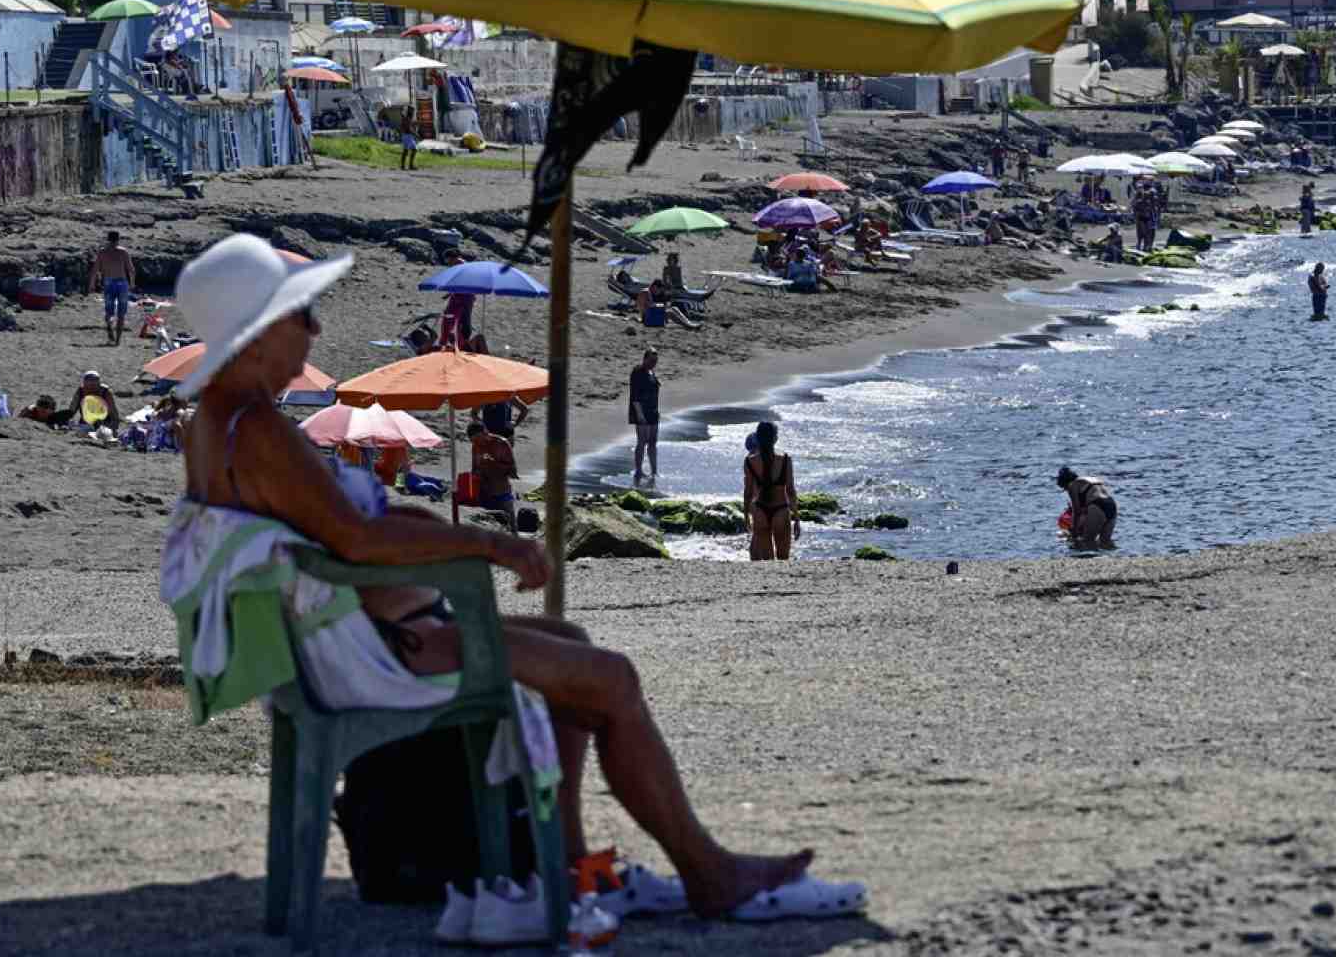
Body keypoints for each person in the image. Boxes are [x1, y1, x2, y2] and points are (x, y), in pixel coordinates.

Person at [166, 235, 857, 924]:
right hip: (377, 655)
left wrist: (419, 531)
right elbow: (355, 539)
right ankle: (711, 875)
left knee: (569, 641)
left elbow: (332, 526)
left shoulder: (219, 424)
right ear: (258, 333)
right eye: (303, 314)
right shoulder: (257, 429)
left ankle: (572, 868)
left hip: (337, 646)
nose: (316, 329)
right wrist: (489, 545)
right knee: (611, 678)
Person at [742, 421, 799, 561]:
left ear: (758, 438)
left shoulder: (749, 461)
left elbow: (748, 493)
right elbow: (791, 491)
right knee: (783, 559)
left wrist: (746, 516)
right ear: (775, 439)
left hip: (760, 511)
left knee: (768, 561)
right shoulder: (785, 460)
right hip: (781, 510)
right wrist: (797, 518)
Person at [467, 420, 519, 532]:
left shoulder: (501, 443)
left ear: (485, 432)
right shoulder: (476, 446)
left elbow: (512, 471)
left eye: (478, 439)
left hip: (502, 491)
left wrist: (493, 464)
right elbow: (474, 468)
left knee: (511, 526)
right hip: (484, 492)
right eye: (473, 441)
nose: (477, 443)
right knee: (489, 527)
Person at [87, 231, 137, 346]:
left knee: (109, 311)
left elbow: (95, 270)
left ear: (108, 239)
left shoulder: (102, 252)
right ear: (118, 239)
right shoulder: (123, 252)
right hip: (122, 283)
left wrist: (91, 284)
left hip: (108, 282)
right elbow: (131, 270)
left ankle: (110, 327)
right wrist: (132, 283)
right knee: (121, 313)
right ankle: (118, 340)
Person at [1056, 466, 1118, 551]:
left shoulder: (1072, 485)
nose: (1066, 490)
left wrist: (1074, 532)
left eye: (1064, 488)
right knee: (1105, 542)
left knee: (1088, 541)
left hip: (1098, 505)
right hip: (1112, 505)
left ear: (1066, 483)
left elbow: (1077, 511)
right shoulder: (1091, 479)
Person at [629, 347, 661, 486]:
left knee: (653, 442)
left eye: (655, 361)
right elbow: (635, 395)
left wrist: (657, 412)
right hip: (642, 411)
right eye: (651, 360)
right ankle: (638, 470)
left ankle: (654, 471)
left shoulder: (651, 372)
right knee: (642, 442)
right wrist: (639, 414)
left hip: (653, 411)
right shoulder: (638, 372)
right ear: (645, 358)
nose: (654, 363)